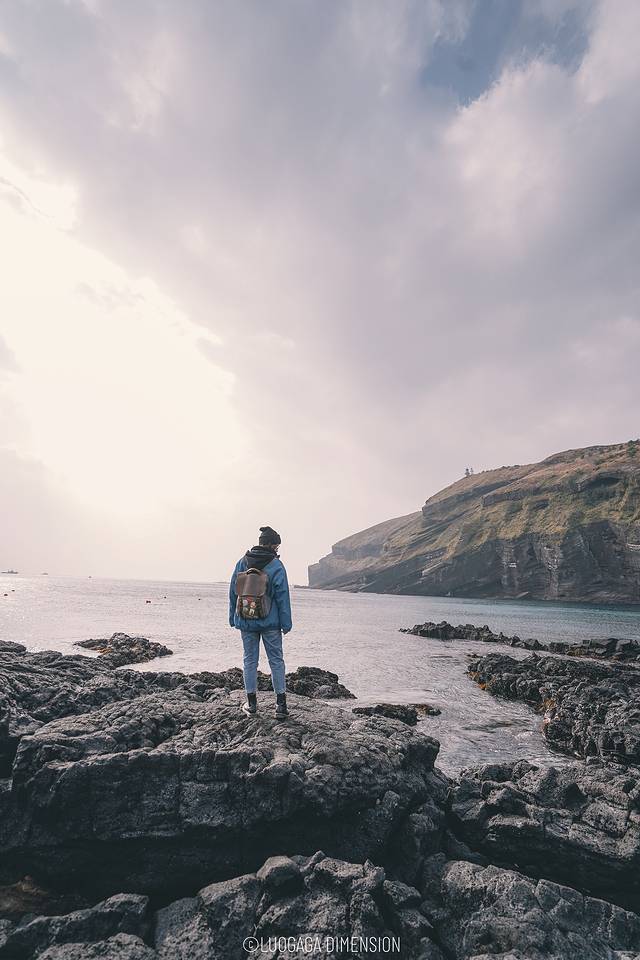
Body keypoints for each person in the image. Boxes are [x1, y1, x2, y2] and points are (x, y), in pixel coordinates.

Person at [228, 525, 292, 718]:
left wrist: (233, 616)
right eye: (277, 546)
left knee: (249, 661)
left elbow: (233, 591)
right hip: (270, 622)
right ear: (272, 545)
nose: (277, 550)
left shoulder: (242, 562)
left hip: (246, 620)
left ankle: (252, 704)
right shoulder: (276, 565)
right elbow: (282, 596)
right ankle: (280, 706)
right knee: (276, 661)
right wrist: (286, 623)